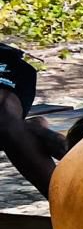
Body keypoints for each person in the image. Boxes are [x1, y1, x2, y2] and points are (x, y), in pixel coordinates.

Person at [0, 43, 65, 199]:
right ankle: (31, 129)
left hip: (8, 65)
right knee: (9, 124)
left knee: (4, 116)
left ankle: (68, 203)